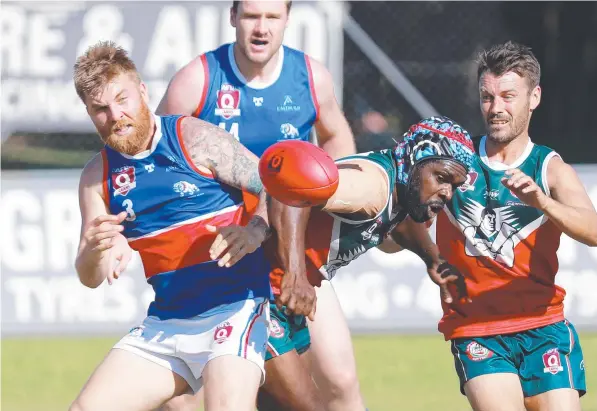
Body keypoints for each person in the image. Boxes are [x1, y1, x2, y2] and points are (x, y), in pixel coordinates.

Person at [156, 1, 362, 410]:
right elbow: (157, 159)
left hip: (292, 252)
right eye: (251, 16)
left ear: (287, 20)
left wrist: (332, 191)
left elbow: (336, 137)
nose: (261, 28)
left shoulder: (310, 77)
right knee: (181, 397)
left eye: (272, 17)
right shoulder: (197, 80)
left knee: (339, 379)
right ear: (233, 17)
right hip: (220, 255)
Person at [70, 41, 285, 411]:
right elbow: (91, 275)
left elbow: (274, 186)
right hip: (168, 323)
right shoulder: (96, 177)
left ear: (142, 91)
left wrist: (255, 231)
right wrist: (93, 251)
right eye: (100, 109)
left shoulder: (192, 138)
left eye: (122, 99)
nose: (116, 115)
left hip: (236, 307)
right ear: (89, 113)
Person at [386, 41, 596, 411]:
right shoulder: (454, 162)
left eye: (508, 96)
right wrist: (409, 219)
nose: (496, 108)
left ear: (534, 97)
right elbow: (391, 242)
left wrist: (542, 203)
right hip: (477, 329)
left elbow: (593, 231)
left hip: (544, 326)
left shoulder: (549, 168)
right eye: (487, 97)